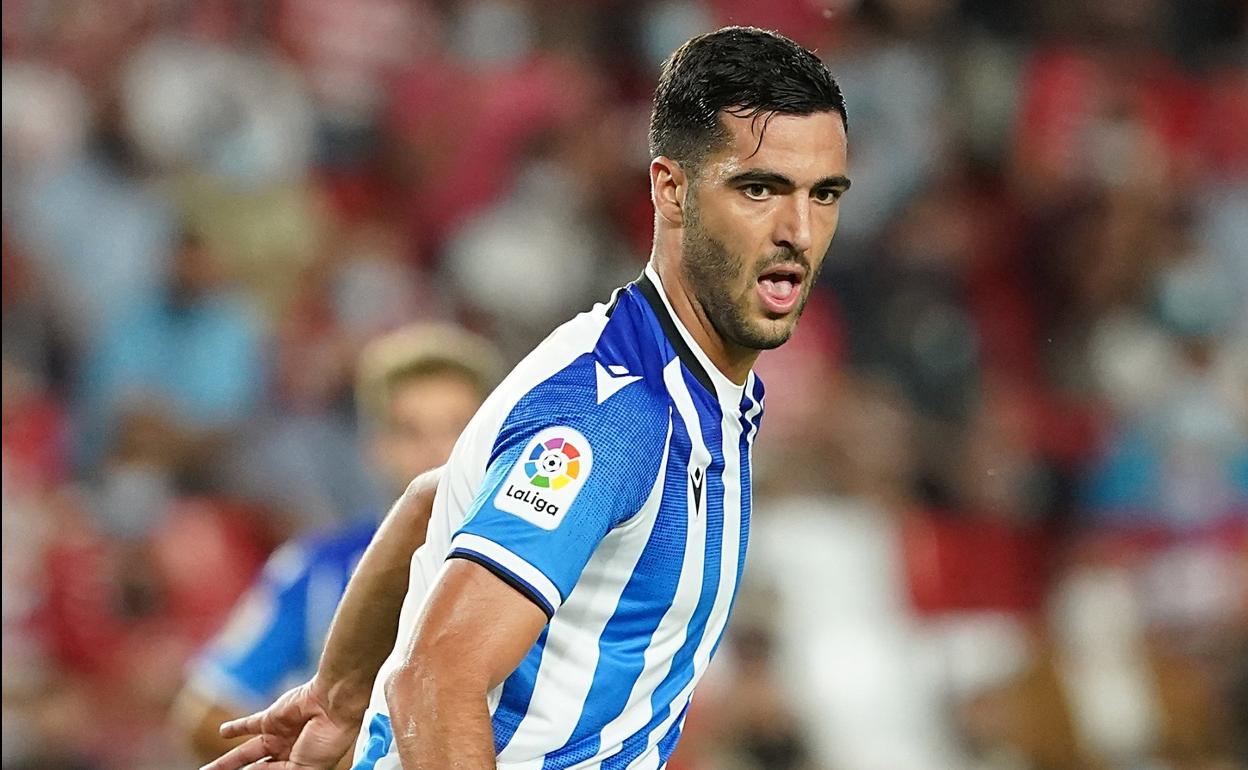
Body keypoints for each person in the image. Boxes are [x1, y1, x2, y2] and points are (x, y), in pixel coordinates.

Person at [202, 26, 850, 770]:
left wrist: (343, 692)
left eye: (823, 194)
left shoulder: (691, 388)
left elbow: (434, 499)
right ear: (671, 189)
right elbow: (434, 680)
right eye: (759, 188)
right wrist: (374, 691)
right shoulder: (617, 412)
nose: (799, 232)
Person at [175, 323, 501, 764]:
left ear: (494, 440)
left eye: (456, 428)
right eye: (410, 431)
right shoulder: (319, 568)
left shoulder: (558, 561)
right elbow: (205, 712)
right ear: (376, 446)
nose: (436, 452)